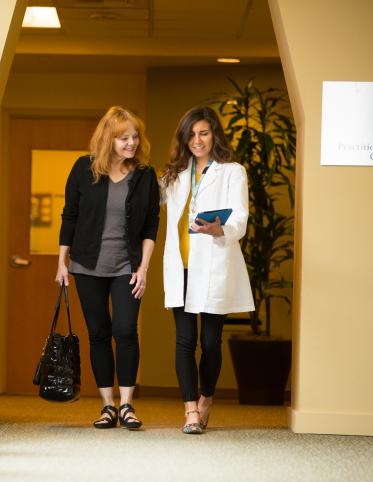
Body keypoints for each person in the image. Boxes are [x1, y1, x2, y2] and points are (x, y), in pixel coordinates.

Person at [56, 106, 160, 430]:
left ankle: (127, 405)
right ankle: (108, 406)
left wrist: (143, 267)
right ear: (108, 139)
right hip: (87, 265)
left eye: (134, 137)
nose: (131, 143)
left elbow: (151, 224)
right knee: (99, 334)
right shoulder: (83, 169)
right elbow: (69, 215)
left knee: (126, 331)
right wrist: (62, 261)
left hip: (127, 266)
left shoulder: (145, 175)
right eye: (123, 138)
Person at [161, 106, 254, 434]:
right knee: (184, 340)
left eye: (203, 133)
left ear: (215, 134)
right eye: (191, 134)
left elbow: (240, 218)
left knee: (211, 342)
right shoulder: (175, 173)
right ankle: (190, 411)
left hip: (214, 263)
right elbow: (147, 200)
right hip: (181, 267)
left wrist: (220, 230)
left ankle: (206, 399)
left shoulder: (232, 171)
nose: (197, 140)